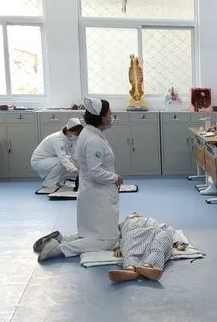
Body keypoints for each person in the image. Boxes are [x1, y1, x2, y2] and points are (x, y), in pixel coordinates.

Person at [34, 98, 122, 261]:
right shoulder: (94, 140)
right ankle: (60, 249)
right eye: (109, 114)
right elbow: (95, 172)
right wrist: (115, 177)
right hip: (99, 195)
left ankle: (61, 238)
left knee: (90, 233)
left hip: (90, 192)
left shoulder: (88, 133)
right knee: (107, 240)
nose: (112, 117)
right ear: (101, 117)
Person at [107, 212, 192, 283]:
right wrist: (117, 246)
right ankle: (130, 270)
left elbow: (167, 228)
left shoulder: (150, 220)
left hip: (155, 231)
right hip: (134, 234)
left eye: (136, 213)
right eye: (130, 214)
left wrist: (178, 242)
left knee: (161, 243)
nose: (133, 214)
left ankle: (147, 267)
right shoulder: (123, 224)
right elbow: (120, 237)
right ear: (126, 218)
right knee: (130, 248)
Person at [31, 117, 83, 193]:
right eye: (75, 133)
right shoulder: (58, 139)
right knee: (63, 162)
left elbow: (74, 155)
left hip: (50, 159)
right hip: (39, 161)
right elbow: (63, 159)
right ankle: (48, 183)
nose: (76, 136)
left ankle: (55, 181)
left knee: (70, 161)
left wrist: (82, 166)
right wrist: (77, 172)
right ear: (68, 131)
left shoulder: (70, 138)